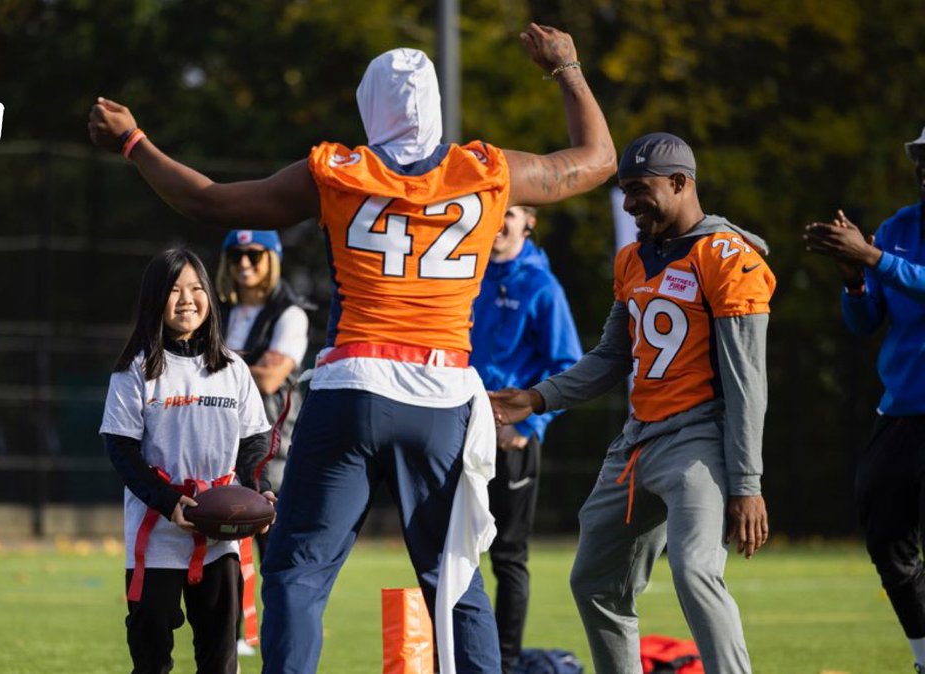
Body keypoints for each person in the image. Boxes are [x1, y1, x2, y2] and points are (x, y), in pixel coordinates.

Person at [88, 24, 616, 674]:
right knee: (455, 578)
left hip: (355, 386)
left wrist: (135, 144)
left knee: (297, 571)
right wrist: (565, 66)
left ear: (372, 108)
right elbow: (595, 159)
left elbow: (208, 201)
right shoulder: (486, 171)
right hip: (443, 393)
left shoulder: (339, 171)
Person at [491, 133, 775, 674]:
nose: (629, 204)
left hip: (698, 440)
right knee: (594, 581)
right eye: (624, 191)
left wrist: (747, 483)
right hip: (638, 440)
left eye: (640, 190)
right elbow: (610, 358)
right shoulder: (635, 259)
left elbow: (747, 380)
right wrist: (536, 396)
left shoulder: (725, 256)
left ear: (680, 183)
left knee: (695, 571)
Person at [99, 248, 274, 674]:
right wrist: (168, 502)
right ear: (154, 299)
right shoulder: (135, 369)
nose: (187, 299)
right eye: (174, 290)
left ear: (211, 298)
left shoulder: (232, 367)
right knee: (151, 654)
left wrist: (256, 492)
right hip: (157, 533)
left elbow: (255, 439)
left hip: (221, 531)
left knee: (219, 657)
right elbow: (121, 450)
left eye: (197, 288)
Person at [804, 125, 925, 674]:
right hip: (901, 411)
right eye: (919, 158)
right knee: (885, 536)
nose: (922, 166)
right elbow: (865, 320)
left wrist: (874, 259)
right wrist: (853, 276)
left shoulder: (887, 244)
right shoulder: (899, 226)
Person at [469, 206, 581, 672]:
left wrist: (527, 425)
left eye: (510, 214)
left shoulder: (541, 286)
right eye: (495, 212)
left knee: (508, 557)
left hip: (511, 441)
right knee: (450, 552)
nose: (499, 223)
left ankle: (507, 663)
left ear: (529, 222)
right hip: (461, 433)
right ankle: (458, 656)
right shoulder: (466, 274)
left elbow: (568, 365)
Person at [216, 229, 311, 506]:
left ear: (272, 258)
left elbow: (269, 379)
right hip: (218, 443)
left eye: (253, 255)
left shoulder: (290, 314)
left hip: (269, 451)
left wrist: (210, 366)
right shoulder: (214, 311)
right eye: (236, 255)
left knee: (271, 543)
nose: (244, 263)